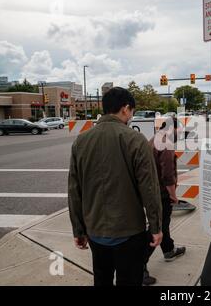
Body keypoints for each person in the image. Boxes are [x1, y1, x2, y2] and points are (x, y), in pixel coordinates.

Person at [68, 87, 163, 286]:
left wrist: (78, 229)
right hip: (129, 231)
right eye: (132, 112)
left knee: (101, 279)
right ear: (126, 109)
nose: (131, 116)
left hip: (95, 230)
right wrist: (156, 226)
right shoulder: (135, 140)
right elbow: (150, 189)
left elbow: (74, 191)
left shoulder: (81, 141)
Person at [144, 116, 186, 272]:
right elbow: (167, 176)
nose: (179, 136)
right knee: (157, 227)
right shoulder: (166, 144)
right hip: (161, 193)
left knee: (163, 224)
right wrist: (173, 196)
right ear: (171, 128)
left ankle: (169, 250)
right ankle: (140, 266)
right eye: (178, 132)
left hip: (151, 190)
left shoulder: (153, 139)